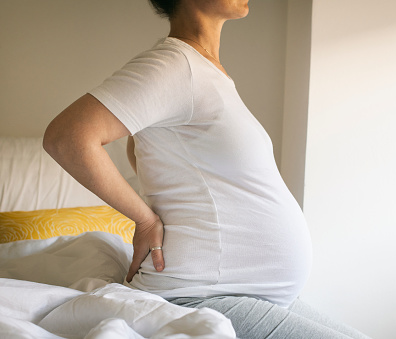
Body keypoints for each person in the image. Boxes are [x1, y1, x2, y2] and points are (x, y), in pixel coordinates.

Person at [43, 0, 370, 338]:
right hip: (200, 294)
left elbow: (144, 146)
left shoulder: (203, 69)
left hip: (238, 290)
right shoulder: (176, 65)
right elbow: (67, 137)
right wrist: (144, 218)